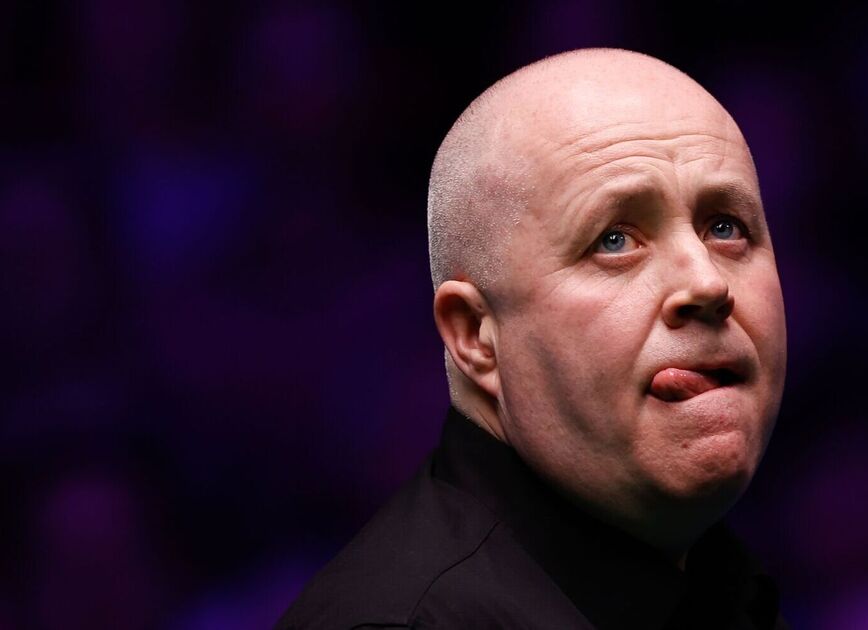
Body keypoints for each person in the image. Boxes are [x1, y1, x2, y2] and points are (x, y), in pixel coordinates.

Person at [276, 47, 789, 629]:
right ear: (475, 336)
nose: (707, 283)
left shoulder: (721, 593)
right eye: (615, 240)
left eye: (725, 227)